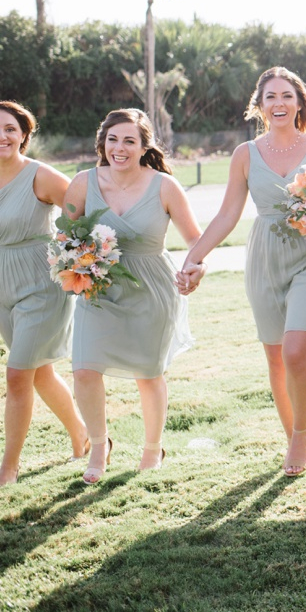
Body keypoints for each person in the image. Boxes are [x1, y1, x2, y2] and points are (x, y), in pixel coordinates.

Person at [178, 67, 306, 476]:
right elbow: (227, 215)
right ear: (260, 105)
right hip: (265, 257)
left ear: (300, 102)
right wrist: (193, 258)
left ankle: (301, 435)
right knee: (275, 357)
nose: (279, 103)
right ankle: (293, 435)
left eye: (287, 95)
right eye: (271, 97)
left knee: (295, 351)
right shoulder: (245, 155)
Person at [66, 108, 201, 483]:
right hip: (98, 286)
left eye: (129, 141)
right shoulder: (82, 182)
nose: (119, 148)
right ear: (102, 142)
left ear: (144, 147)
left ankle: (152, 448)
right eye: (113, 139)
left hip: (150, 288)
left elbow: (195, 241)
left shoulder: (164, 186)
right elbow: (67, 237)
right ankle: (98, 446)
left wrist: (197, 267)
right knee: (84, 369)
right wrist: (73, 262)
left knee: (148, 373)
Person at [0, 101, 88, 485]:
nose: (2, 136)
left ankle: (9, 467)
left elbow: (85, 214)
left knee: (17, 375)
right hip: (2, 288)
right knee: (39, 374)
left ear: (23, 135)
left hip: (40, 284)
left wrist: (75, 260)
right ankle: (82, 435)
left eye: (9, 129)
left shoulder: (40, 176)